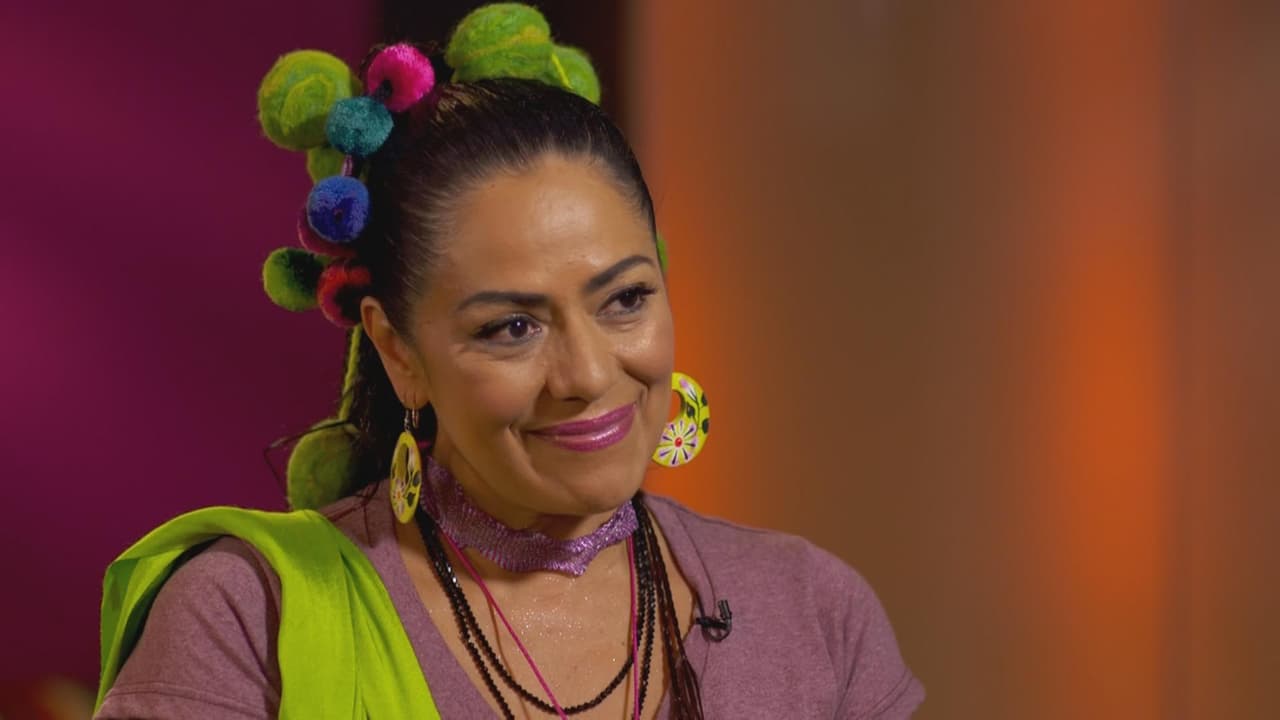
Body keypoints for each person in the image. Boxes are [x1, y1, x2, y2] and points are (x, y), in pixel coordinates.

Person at [93, 4, 924, 718]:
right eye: (513, 327)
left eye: (624, 299)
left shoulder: (814, 611)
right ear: (397, 351)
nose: (587, 375)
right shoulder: (246, 615)